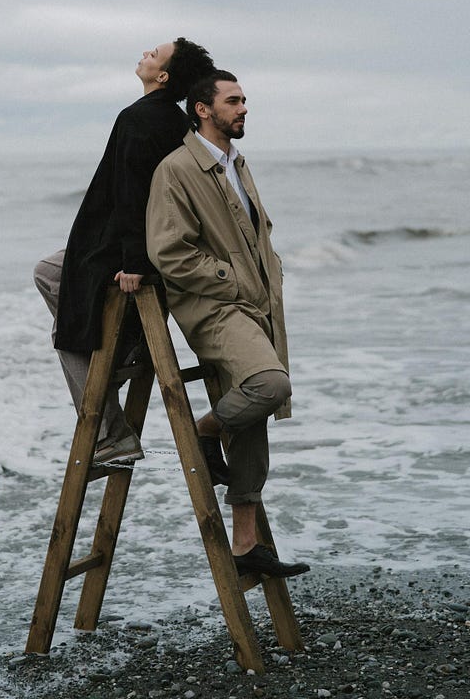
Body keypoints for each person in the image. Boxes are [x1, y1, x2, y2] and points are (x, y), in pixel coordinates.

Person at [146, 70, 309, 579]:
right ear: (202, 109)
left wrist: (268, 275)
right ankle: (202, 430)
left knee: (256, 414)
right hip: (214, 308)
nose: (243, 109)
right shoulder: (177, 169)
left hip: (254, 304)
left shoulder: (237, 162)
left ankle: (246, 549)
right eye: (233, 101)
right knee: (268, 384)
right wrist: (232, 278)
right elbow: (169, 252)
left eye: (244, 101)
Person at [34, 38, 215, 465]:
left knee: (69, 339)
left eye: (154, 54)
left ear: (164, 76)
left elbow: (136, 194)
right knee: (48, 272)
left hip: (122, 248)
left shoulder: (138, 118)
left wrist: (134, 262)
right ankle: (120, 351)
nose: (145, 54)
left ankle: (112, 433)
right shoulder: (175, 121)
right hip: (138, 244)